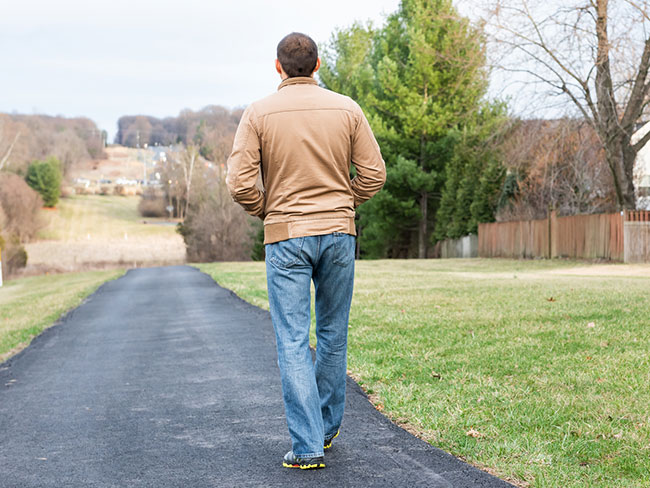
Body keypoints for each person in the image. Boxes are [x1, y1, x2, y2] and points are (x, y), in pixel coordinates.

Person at [226, 32, 386, 470]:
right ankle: (326, 429)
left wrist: (270, 211)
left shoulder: (258, 113)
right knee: (333, 333)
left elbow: (240, 183)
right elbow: (373, 174)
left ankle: (308, 445)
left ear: (278, 67)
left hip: (287, 236)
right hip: (338, 233)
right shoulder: (347, 109)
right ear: (317, 66)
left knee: (293, 342)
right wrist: (343, 203)